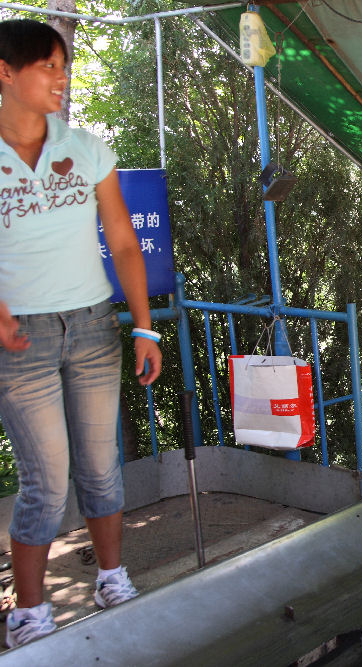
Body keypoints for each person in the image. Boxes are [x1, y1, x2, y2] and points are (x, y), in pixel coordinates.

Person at [0, 19, 162, 647]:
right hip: (21, 342)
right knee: (46, 481)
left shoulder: (88, 148)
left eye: (63, 65)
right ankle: (31, 617)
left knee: (101, 468)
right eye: (47, 65)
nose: (60, 77)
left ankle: (113, 580)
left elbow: (123, 241)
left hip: (94, 326)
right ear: (6, 72)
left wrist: (145, 328)